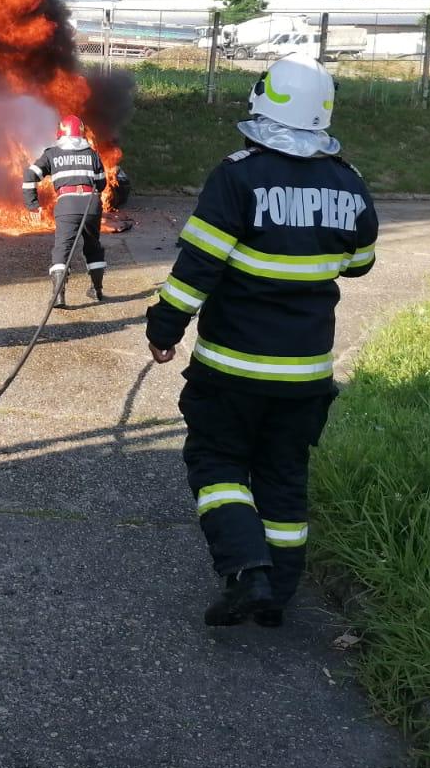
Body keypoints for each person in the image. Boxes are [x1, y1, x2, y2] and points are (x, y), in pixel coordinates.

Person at [145, 55, 378, 627]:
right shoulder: (348, 181)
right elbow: (359, 264)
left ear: (264, 102)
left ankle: (246, 568)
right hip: (305, 376)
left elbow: (197, 266)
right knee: (282, 476)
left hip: (231, 369)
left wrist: (163, 328)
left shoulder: (238, 175)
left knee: (217, 460)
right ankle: (277, 596)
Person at [22, 116, 108, 307]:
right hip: (90, 205)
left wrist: (32, 204)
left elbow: (30, 174)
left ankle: (58, 295)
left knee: (63, 248)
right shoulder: (92, 154)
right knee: (93, 245)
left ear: (60, 132)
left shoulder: (52, 153)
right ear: (82, 133)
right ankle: (97, 290)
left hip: (67, 205)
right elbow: (101, 184)